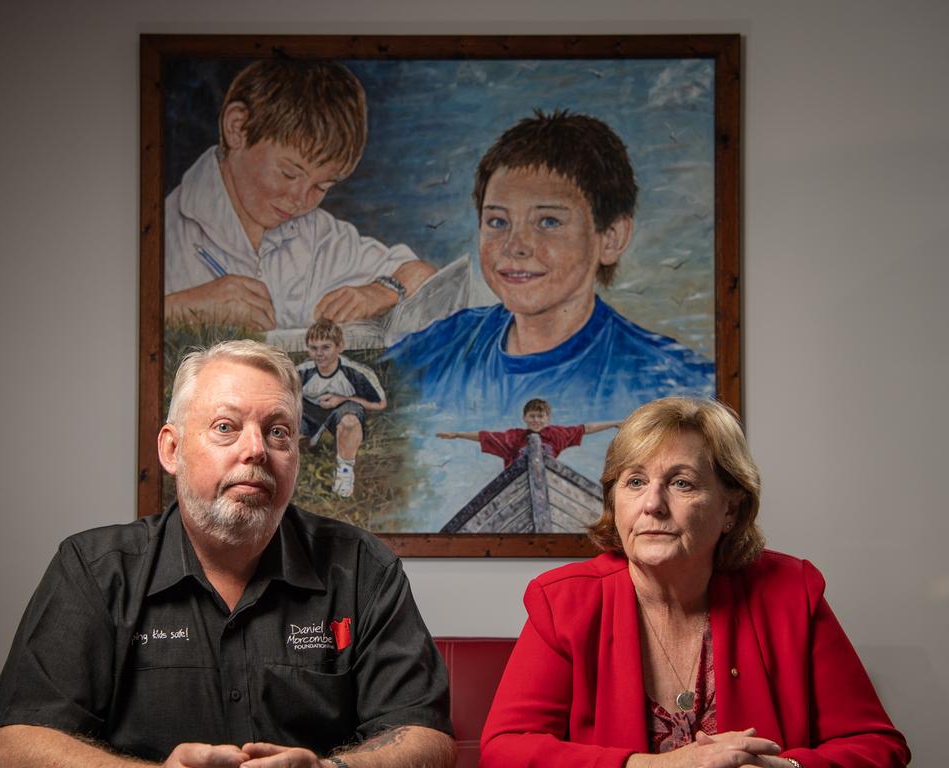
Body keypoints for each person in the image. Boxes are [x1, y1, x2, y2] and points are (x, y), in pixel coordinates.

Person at [0, 340, 455, 768]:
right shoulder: (95, 569)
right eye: (226, 427)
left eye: (279, 432)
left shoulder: (362, 568)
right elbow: (20, 742)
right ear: (171, 449)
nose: (256, 450)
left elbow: (426, 738)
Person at [479, 397, 910, 768]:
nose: (652, 504)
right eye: (635, 482)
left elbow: (878, 747)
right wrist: (650, 766)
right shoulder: (565, 600)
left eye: (681, 483)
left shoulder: (791, 592)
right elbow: (503, 752)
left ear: (731, 510)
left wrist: (786, 767)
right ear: (615, 501)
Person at [383, 110, 713, 422]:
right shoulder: (441, 347)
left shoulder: (677, 387)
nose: (515, 246)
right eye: (497, 221)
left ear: (611, 238)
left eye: (549, 221)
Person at [164, 59, 436, 331]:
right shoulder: (163, 226)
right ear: (238, 128)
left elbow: (428, 278)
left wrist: (382, 292)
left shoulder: (317, 233)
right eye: (288, 174)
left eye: (322, 187)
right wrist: (180, 309)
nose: (300, 200)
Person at [297, 319, 387, 497]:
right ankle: (307, 443)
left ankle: (345, 471)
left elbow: (380, 404)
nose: (319, 354)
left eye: (326, 347)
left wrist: (343, 399)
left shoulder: (356, 372)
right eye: (313, 348)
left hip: (342, 410)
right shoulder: (301, 372)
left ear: (340, 346)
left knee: (349, 419)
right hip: (310, 413)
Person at [437, 397, 621, 469]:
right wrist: (456, 434)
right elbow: (485, 436)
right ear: (525, 417)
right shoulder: (514, 437)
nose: (536, 420)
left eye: (540, 416)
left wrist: (615, 424)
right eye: (532, 416)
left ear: (547, 418)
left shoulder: (557, 435)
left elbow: (586, 429)